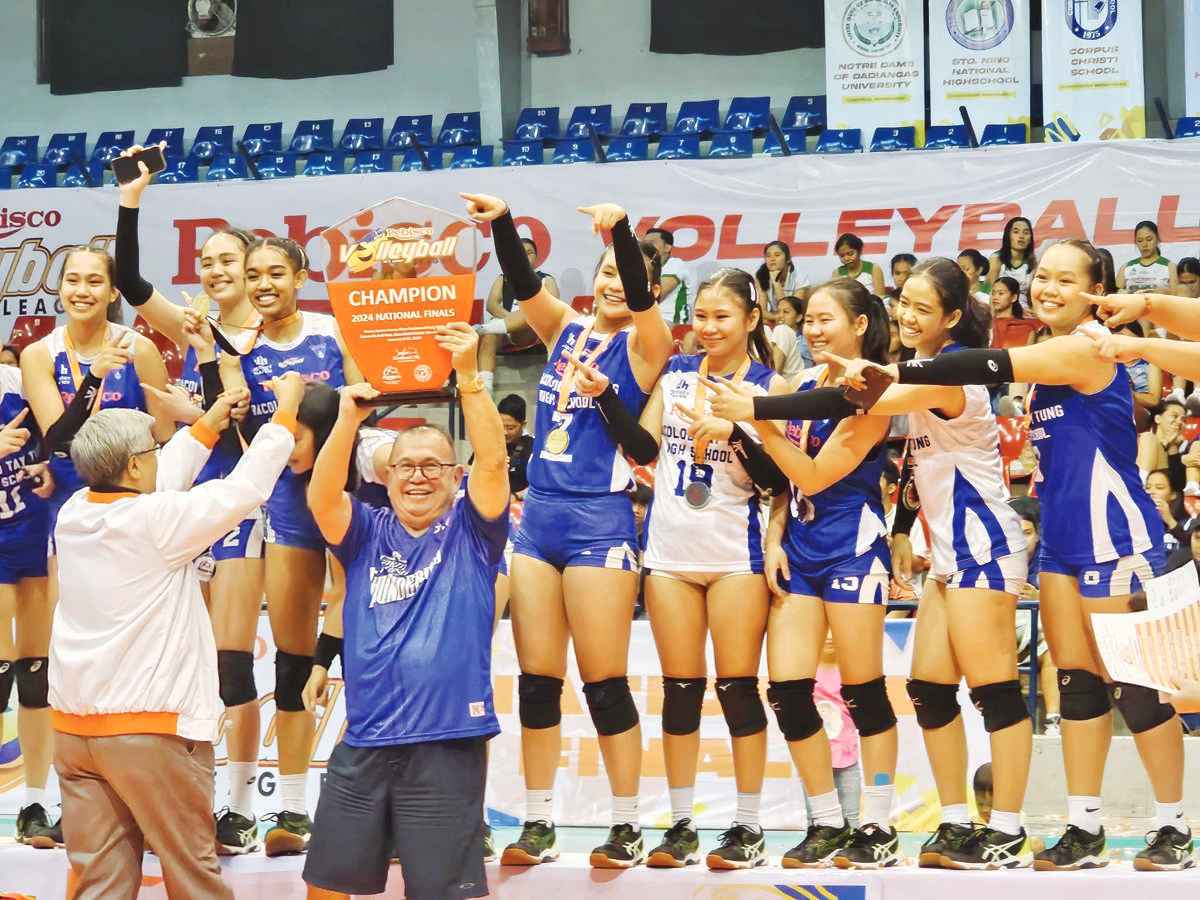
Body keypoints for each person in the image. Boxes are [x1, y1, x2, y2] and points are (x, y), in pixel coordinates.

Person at [839, 239, 1193, 872]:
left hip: (1117, 537)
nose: (1048, 287)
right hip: (1058, 540)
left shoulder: (1083, 346)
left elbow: (996, 361)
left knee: (1137, 690)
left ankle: (1173, 824)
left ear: (1098, 287)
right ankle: (1085, 826)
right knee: (1078, 685)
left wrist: (900, 373)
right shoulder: (1053, 359)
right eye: (1044, 277)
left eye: (1066, 279)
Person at [733, 259, 1036, 869]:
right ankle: (954, 823)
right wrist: (903, 527)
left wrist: (758, 408)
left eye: (925, 308)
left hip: (985, 546)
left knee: (997, 692)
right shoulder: (914, 372)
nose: (910, 316)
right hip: (946, 553)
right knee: (927, 689)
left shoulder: (947, 372)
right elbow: (917, 463)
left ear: (952, 317)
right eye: (906, 304)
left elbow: (862, 399)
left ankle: (1007, 828)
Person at [461, 192, 673, 868]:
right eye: (605, 271)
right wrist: (501, 221)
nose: (612, 283)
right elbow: (523, 285)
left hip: (598, 519)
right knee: (536, 680)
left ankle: (626, 823)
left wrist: (622, 231)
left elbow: (641, 303)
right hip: (541, 516)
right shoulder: (569, 329)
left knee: (604, 682)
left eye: (626, 273)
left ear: (650, 285)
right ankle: (540, 820)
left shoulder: (648, 344)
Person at [49, 371, 302, 900]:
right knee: (193, 876)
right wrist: (285, 415)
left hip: (75, 733)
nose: (162, 453)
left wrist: (207, 426)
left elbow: (157, 481)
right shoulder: (158, 521)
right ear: (137, 464)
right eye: (155, 447)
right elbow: (246, 489)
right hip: (153, 731)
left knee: (101, 881)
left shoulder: (74, 514)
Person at [569, 267, 788, 870]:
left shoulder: (769, 386)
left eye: (724, 317)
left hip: (734, 557)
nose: (710, 328)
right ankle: (683, 824)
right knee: (681, 692)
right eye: (704, 317)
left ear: (752, 319)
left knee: (739, 691)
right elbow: (643, 451)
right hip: (667, 554)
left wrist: (736, 434)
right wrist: (605, 397)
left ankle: (747, 827)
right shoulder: (678, 373)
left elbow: (779, 480)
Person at [299, 323, 507, 900]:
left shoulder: (472, 529)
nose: (418, 475)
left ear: (454, 477)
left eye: (433, 466)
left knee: (442, 892)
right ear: (385, 476)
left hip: (446, 741)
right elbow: (320, 498)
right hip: (365, 738)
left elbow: (493, 463)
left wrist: (468, 379)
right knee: (327, 885)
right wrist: (346, 420)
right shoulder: (365, 531)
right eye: (406, 465)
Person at [706, 279, 900, 869]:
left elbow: (816, 474)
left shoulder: (875, 388)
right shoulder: (807, 383)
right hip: (802, 549)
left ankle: (879, 825)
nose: (813, 331)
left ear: (861, 325)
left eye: (825, 320)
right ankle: (825, 824)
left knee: (864, 693)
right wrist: (773, 537)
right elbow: (787, 485)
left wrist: (754, 420)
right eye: (808, 321)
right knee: (788, 692)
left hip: (854, 549)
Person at [112, 154, 270, 852]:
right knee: (186, 666)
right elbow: (130, 282)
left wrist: (195, 404)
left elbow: (253, 428)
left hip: (243, 506)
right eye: (205, 261)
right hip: (184, 507)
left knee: (231, 665)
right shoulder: (193, 324)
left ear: (252, 267)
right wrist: (131, 201)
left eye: (227, 260)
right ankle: (190, 802)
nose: (214, 271)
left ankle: (240, 807)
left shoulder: (274, 333)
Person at [216, 235, 364, 855]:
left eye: (276, 272)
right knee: (290, 660)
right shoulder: (240, 348)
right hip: (287, 508)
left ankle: (363, 800)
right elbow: (243, 429)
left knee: (358, 645)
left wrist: (322, 423)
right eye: (254, 274)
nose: (263, 283)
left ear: (300, 275)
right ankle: (284, 809)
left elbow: (366, 399)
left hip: (349, 494)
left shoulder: (333, 330)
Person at [0, 366, 56, 847]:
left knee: (35, 673)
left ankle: (35, 801)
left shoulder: (22, 380)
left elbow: (65, 433)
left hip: (37, 529)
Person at [475, 237, 557, 394]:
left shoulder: (546, 279)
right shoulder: (503, 278)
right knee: (490, 335)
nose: (525, 256)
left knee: (530, 315)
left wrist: (518, 320)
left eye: (529, 252)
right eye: (520, 252)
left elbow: (554, 310)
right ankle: (485, 389)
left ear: (536, 257)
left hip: (532, 330)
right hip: (506, 330)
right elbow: (492, 304)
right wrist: (511, 320)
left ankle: (482, 329)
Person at [1010, 497, 1059, 735]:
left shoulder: (1049, 560)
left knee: (1053, 648)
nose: (1021, 541)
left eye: (1027, 533)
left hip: (1040, 628)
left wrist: (1039, 597)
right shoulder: (996, 558)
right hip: (1002, 627)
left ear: (1038, 535)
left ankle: (1053, 721)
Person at [645, 227, 695, 325]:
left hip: (671, 322)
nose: (646, 246)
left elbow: (655, 296)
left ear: (667, 248)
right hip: (648, 321)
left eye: (651, 242)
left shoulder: (675, 264)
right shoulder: (645, 267)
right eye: (644, 243)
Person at [1116, 221, 1177, 294]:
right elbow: (1115, 296)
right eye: (1140, 241)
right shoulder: (1126, 267)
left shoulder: (1170, 266)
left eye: (1149, 239)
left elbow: (1176, 296)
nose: (1144, 244)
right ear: (1135, 242)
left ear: (1157, 239)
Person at [986, 217, 1036, 300]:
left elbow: (1031, 296)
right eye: (1016, 232)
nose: (1021, 236)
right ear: (1008, 236)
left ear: (1030, 238)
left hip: (1024, 306)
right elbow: (990, 291)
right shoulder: (996, 258)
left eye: (1026, 233)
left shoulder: (1034, 262)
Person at [757, 240, 806, 324]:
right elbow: (762, 311)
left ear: (788, 259)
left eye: (777, 255)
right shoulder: (761, 275)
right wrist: (777, 317)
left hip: (796, 322)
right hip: (776, 320)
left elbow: (792, 312)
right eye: (768, 256)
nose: (772, 259)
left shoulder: (800, 278)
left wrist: (776, 283)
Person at [1137, 398, 1185, 479]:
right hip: (1136, 483)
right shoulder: (1145, 439)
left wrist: (1172, 446)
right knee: (1149, 438)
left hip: (1162, 487)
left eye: (1183, 419)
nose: (1180, 421)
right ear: (1158, 419)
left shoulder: (1183, 447)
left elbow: (1178, 483)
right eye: (1175, 416)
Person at [496, 393, 534, 496]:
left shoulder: (534, 448)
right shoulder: (491, 444)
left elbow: (542, 485)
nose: (505, 432)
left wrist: (517, 496)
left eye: (510, 428)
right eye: (501, 426)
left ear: (523, 424)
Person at [990, 276, 1039, 350]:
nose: (995, 297)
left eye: (1001, 293)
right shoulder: (985, 324)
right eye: (993, 293)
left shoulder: (1026, 328)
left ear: (1014, 298)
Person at [770, 295, 812, 379]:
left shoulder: (804, 339)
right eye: (778, 312)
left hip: (799, 383)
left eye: (786, 312)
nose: (780, 316)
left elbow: (806, 367)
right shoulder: (776, 332)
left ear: (798, 318)